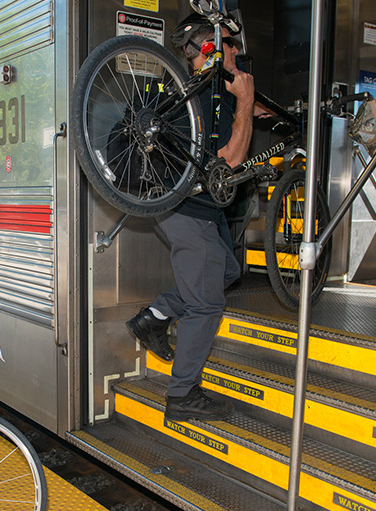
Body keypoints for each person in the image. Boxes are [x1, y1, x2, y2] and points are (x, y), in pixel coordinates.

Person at [126, 13, 255, 423]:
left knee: (226, 269)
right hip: (189, 211)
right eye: (233, 46)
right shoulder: (202, 97)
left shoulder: (190, 91)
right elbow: (231, 160)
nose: (239, 54)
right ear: (213, 48)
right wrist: (247, 103)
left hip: (190, 207)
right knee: (206, 304)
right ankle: (182, 395)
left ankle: (155, 317)